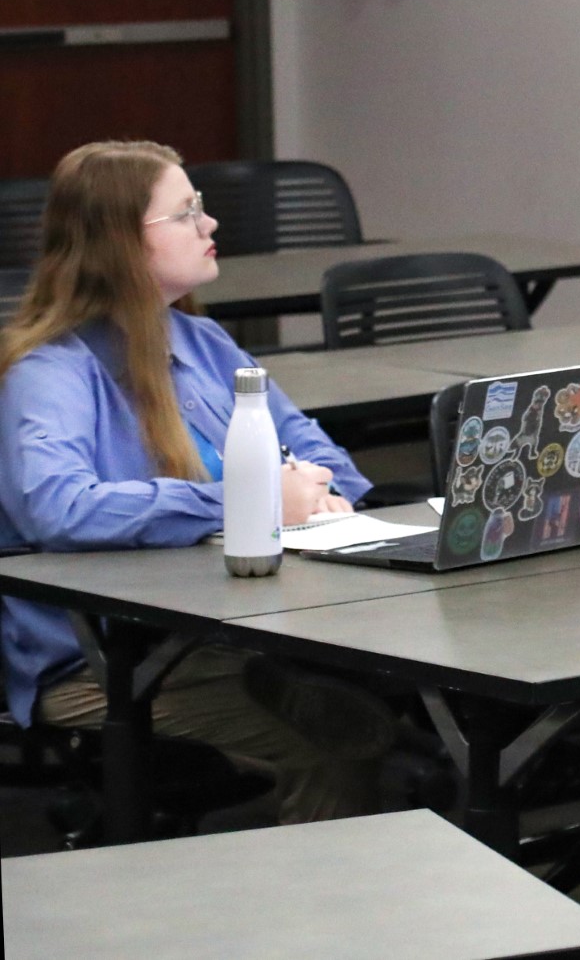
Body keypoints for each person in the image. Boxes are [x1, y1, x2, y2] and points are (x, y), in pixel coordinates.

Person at [0, 142, 391, 823]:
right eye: (186, 213)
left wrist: (316, 493)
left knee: (368, 717)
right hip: (98, 661)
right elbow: (57, 508)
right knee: (327, 745)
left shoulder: (203, 343)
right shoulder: (51, 368)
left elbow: (330, 458)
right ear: (120, 241)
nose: (209, 226)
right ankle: (313, 918)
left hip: (215, 630)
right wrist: (253, 499)